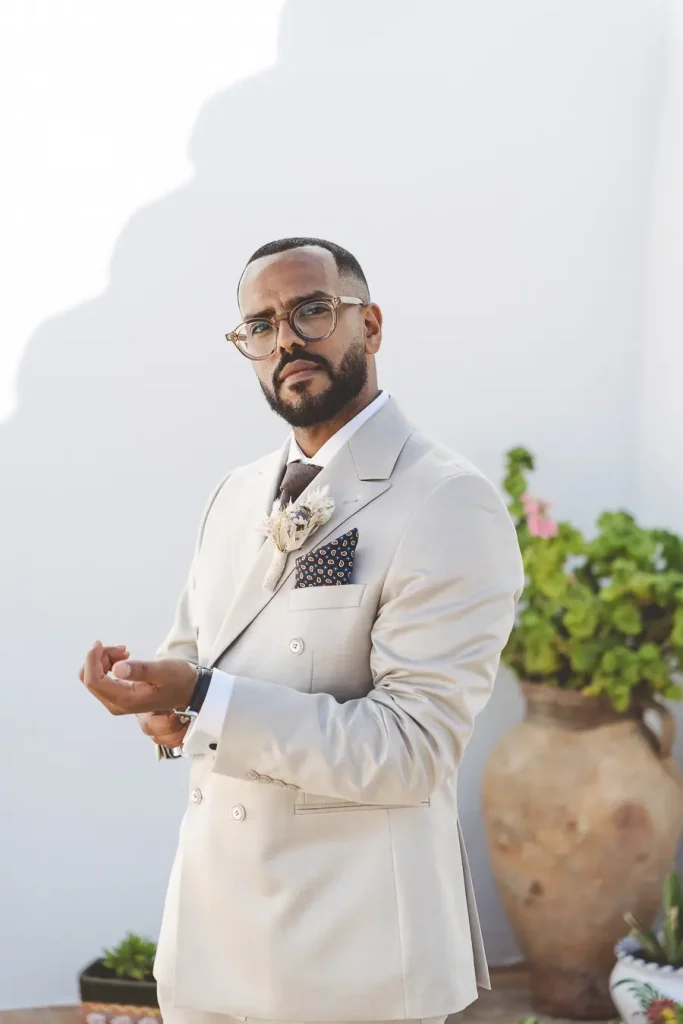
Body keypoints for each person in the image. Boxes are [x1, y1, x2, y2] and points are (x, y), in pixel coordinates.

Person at [80, 237, 524, 1024]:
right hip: (215, 942)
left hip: (353, 957)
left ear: (370, 325)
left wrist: (205, 698)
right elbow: (194, 658)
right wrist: (160, 703)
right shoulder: (235, 491)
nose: (285, 338)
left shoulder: (447, 501)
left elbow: (412, 752)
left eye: (311, 310)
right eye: (260, 324)